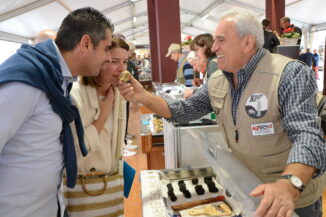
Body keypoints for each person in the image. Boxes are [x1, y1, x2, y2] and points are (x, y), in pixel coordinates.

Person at [119, 9, 326, 217]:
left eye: (221, 40)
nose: (214, 47)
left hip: (291, 199)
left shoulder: (289, 74)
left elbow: (307, 136)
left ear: (248, 42)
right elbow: (182, 112)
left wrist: (289, 184)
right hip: (247, 190)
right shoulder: (218, 79)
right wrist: (142, 97)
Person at [0, 7, 113, 217]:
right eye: (106, 49)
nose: (108, 58)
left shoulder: (56, 79)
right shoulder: (26, 80)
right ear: (86, 43)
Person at [65, 37, 128, 216]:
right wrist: (105, 112)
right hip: (84, 188)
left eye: (125, 61)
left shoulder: (118, 94)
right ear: (98, 61)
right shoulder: (74, 95)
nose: (122, 68)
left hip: (112, 184)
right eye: (114, 61)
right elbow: (77, 149)